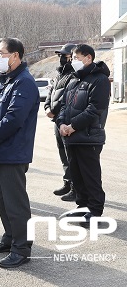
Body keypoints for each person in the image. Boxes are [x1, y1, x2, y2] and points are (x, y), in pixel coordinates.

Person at [0, 38, 39, 268]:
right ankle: (10, 238)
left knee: (15, 203)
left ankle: (22, 248)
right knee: (3, 201)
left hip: (13, 151)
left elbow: (13, 118)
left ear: (16, 56)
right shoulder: (4, 81)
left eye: (2, 53)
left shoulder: (24, 83)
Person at [57, 44, 110, 228]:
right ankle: (82, 208)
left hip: (89, 138)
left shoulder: (100, 80)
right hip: (71, 137)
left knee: (91, 177)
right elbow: (63, 106)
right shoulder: (73, 80)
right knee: (77, 176)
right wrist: (62, 124)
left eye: (77, 58)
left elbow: (95, 109)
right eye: (73, 59)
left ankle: (95, 212)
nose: (74, 62)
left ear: (88, 58)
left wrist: (72, 126)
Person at [44, 43, 77, 201]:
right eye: (60, 56)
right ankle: (67, 182)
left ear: (71, 56)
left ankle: (75, 187)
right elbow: (51, 92)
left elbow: (66, 97)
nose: (61, 58)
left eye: (64, 55)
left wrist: (54, 111)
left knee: (71, 155)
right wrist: (46, 107)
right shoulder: (59, 74)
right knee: (63, 154)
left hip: (66, 120)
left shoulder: (75, 74)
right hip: (57, 120)